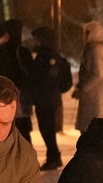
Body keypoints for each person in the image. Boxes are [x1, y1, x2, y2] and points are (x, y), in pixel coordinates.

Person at [28, 26, 72, 169]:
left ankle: (53, 157)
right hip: (49, 98)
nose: (35, 42)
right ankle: (53, 156)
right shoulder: (51, 55)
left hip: (45, 99)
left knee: (47, 129)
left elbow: (43, 78)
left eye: (37, 39)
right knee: (47, 129)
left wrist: (37, 88)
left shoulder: (45, 57)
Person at [74, 20, 103, 132]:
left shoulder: (94, 50)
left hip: (94, 98)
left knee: (91, 131)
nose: (83, 36)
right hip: (94, 97)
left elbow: (97, 74)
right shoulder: (96, 49)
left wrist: (83, 88)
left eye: (85, 33)